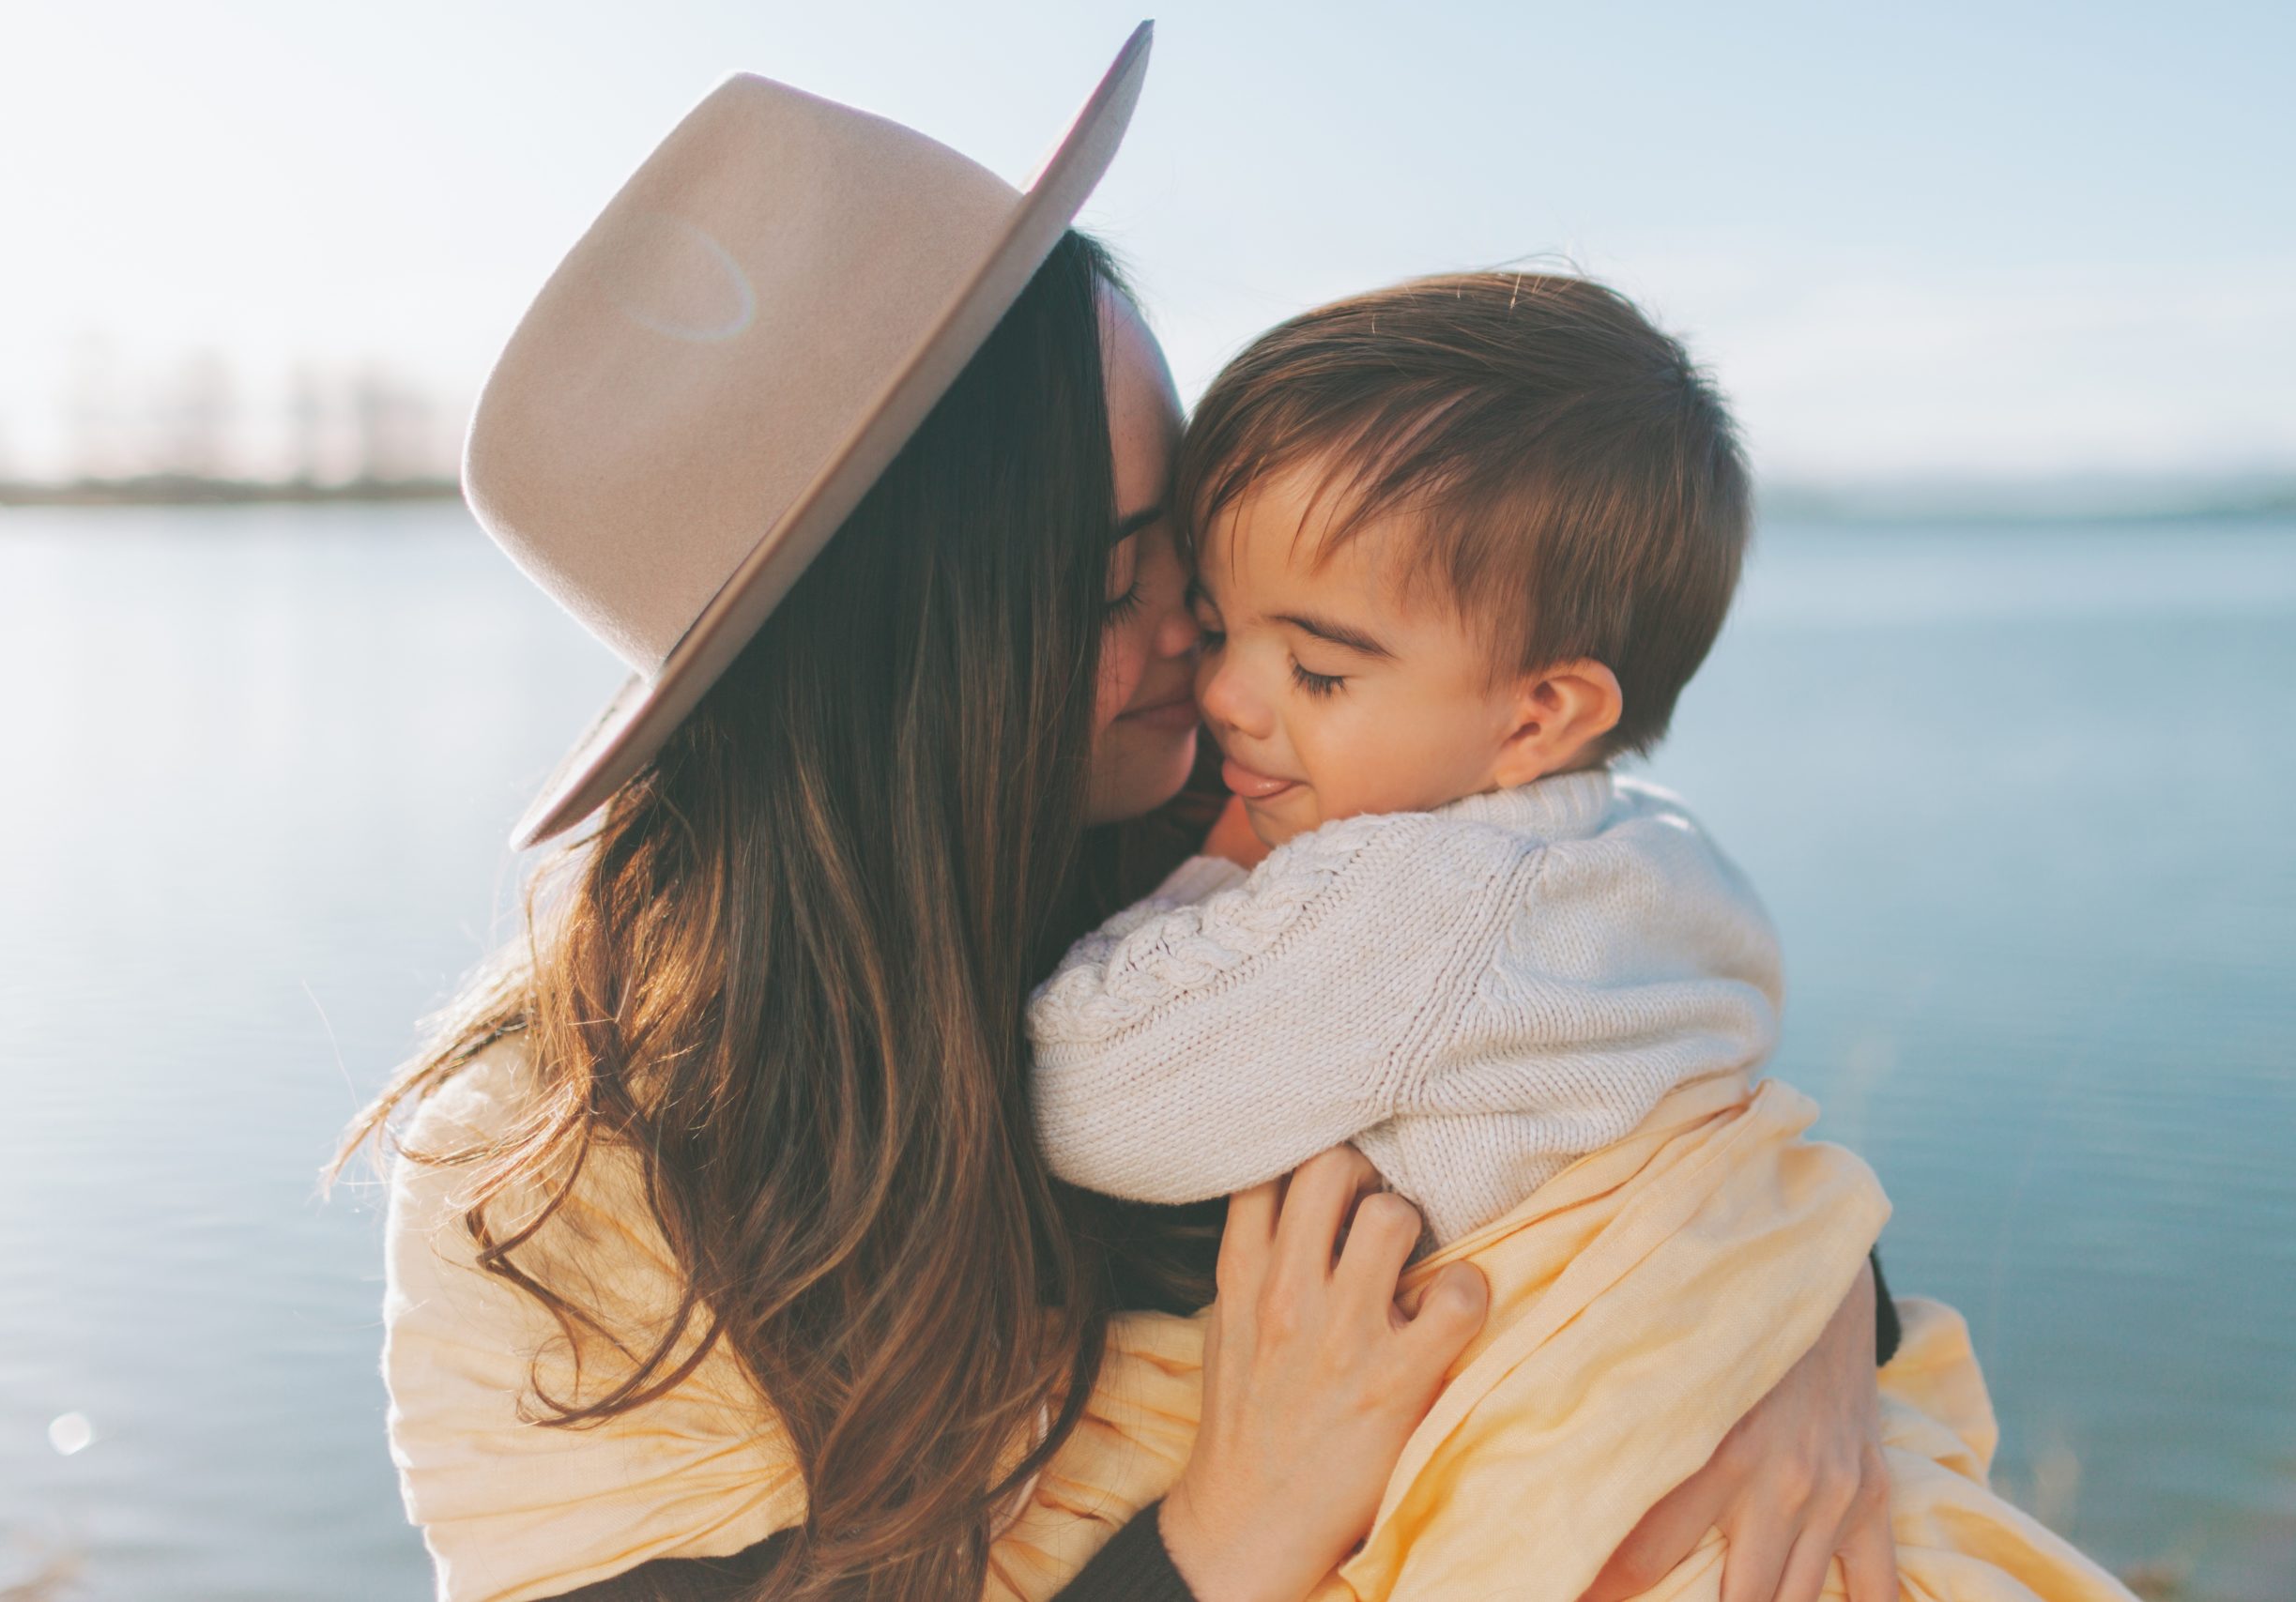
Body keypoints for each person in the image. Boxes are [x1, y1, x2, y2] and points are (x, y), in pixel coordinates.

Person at [346, 32, 1901, 1602]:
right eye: (1115, 587)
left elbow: (1618, 1083)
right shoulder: (557, 1177)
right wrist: (1223, 1538)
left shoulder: (1245, 833)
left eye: (1201, 564)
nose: (1208, 651)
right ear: (894, 667)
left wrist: (1813, 1328)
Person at [1024, 271, 2141, 1602]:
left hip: (1576, 1474)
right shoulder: (1653, 854)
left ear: (1542, 711)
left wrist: (1212, 878)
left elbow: (1091, 1093)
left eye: (1316, 670)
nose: (1221, 692)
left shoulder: (1405, 902)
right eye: (1220, 625)